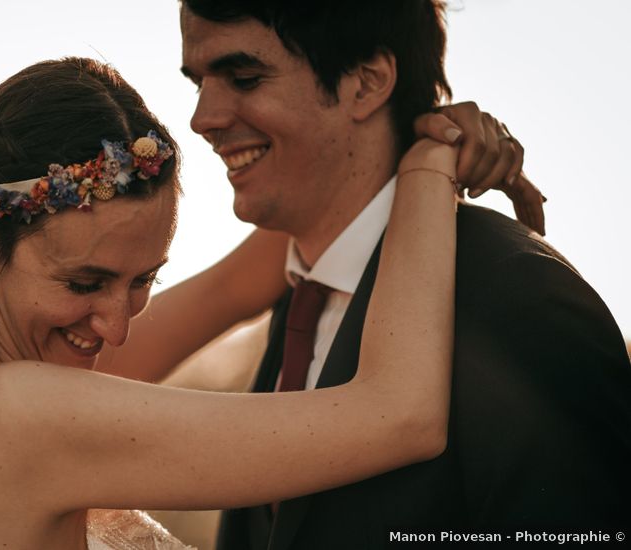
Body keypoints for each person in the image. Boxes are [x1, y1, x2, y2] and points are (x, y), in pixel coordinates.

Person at [0, 54, 513, 549]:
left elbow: (240, 284)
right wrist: (428, 166)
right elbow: (400, 416)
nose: (117, 327)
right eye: (85, 284)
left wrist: (372, 136)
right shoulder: (17, 414)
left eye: (144, 278)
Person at [103, 1, 627, 548]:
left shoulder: (522, 297)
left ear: (366, 82)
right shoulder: (296, 293)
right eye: (199, 83)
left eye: (244, 77)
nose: (202, 119)